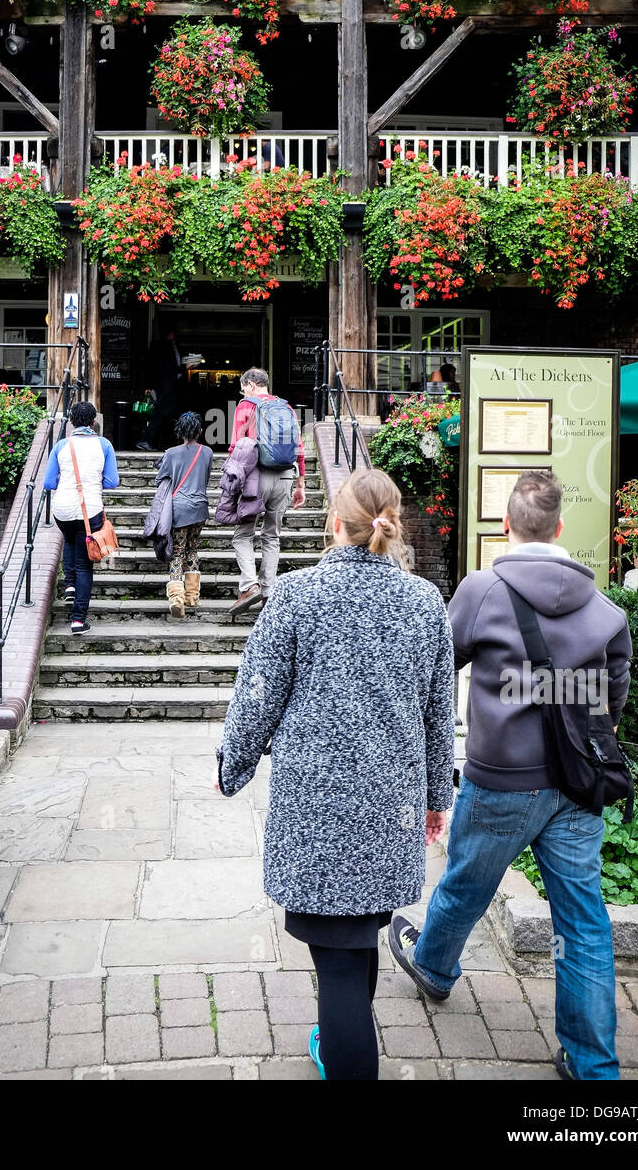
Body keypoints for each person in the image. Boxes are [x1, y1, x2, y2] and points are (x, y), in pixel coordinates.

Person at [388, 471, 633, 1082]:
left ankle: (435, 967)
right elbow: (612, 696)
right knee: (583, 920)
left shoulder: (482, 591)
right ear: (559, 529)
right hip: (578, 787)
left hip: (500, 778)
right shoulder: (606, 611)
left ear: (506, 526)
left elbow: (436, 665)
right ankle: (593, 1065)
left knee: (468, 883)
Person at [217, 468, 455, 1081]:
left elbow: (258, 696)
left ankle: (346, 1055)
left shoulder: (298, 596)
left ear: (333, 522)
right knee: (356, 942)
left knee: (342, 968)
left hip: (316, 815)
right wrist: (434, 795)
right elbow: (437, 710)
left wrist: (233, 765)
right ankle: (339, 1036)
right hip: (386, 810)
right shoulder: (425, 602)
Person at [229, 367, 306, 615]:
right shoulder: (286, 406)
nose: (243, 392)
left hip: (256, 476)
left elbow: (236, 447)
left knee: (243, 534)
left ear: (250, 385)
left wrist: (233, 483)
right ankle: (268, 592)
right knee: (271, 536)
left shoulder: (245, 406)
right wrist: (301, 483)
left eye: (243, 387)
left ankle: (250, 585)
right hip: (285, 475)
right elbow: (299, 447)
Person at [43, 400, 120, 634]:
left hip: (63, 510)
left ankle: (69, 585)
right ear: (94, 421)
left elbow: (48, 483)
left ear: (72, 422)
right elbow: (112, 482)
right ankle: (78, 620)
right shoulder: (104, 445)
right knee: (85, 565)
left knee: (69, 540)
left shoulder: (61, 446)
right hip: (91, 510)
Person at [154, 410, 213, 618]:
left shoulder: (170, 453)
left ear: (180, 431)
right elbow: (205, 478)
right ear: (199, 431)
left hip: (179, 509)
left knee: (177, 551)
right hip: (199, 507)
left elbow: (160, 480)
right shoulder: (207, 452)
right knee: (193, 549)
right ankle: (192, 596)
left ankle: (177, 598)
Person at [137, 328, 184, 451]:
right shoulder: (164, 348)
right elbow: (168, 369)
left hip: (165, 387)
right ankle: (146, 440)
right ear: (170, 334)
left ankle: (166, 442)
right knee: (163, 415)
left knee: (167, 415)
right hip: (165, 387)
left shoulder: (164, 347)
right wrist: (185, 368)